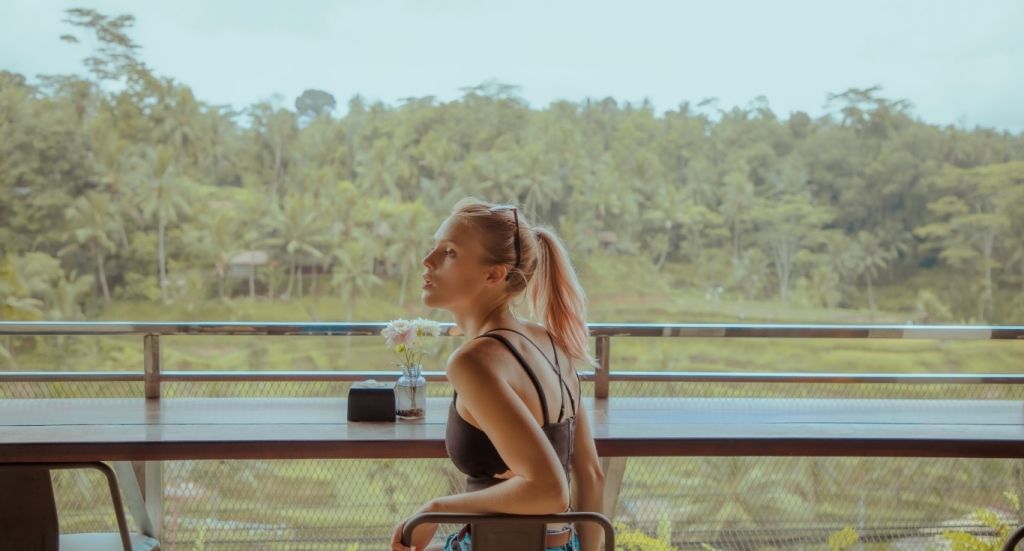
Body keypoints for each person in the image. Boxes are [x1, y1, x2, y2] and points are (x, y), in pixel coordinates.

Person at [390, 198, 605, 551]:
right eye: (435, 247)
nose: (428, 261)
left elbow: (549, 489)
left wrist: (435, 510)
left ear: (493, 274)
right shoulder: (551, 343)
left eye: (450, 253)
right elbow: (591, 475)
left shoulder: (473, 362)